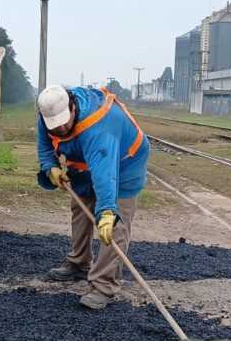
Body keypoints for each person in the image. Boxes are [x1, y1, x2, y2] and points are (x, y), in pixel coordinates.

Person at [35, 84, 150, 309]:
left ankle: (104, 285)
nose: (59, 129)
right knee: (80, 207)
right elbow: (44, 143)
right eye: (54, 126)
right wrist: (50, 166)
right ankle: (80, 262)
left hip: (127, 162)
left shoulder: (97, 127)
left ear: (71, 108)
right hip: (86, 163)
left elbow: (105, 175)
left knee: (114, 224)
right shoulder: (49, 115)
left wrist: (107, 210)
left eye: (63, 124)